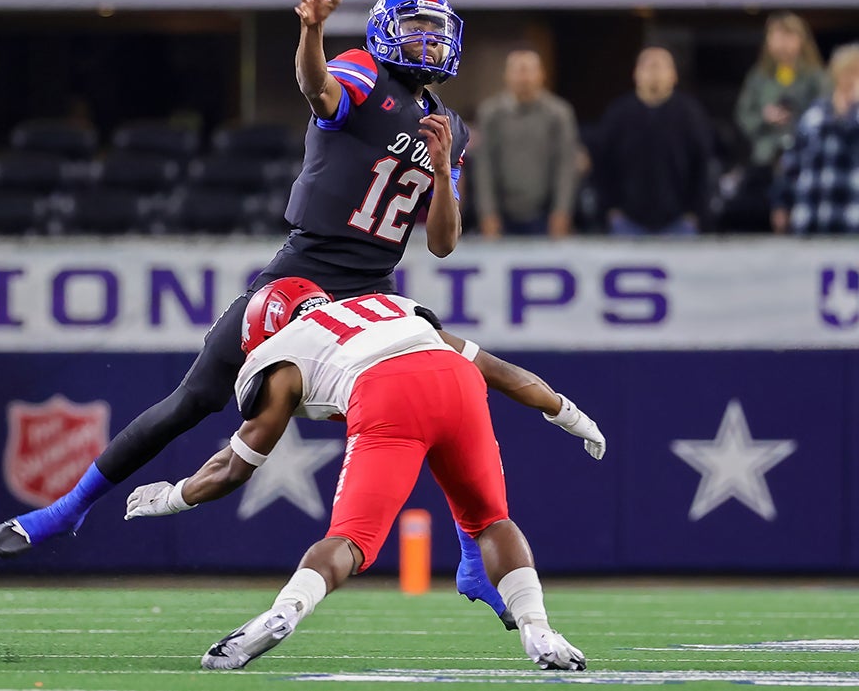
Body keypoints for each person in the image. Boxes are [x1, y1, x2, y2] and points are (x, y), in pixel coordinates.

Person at [0, 0, 516, 622]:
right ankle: (67, 510)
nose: (429, 41)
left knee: (444, 387)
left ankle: (469, 559)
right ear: (384, 31)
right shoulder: (357, 70)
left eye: (438, 30)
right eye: (417, 28)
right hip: (304, 272)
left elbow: (442, 244)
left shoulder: (451, 130)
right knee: (192, 400)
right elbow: (315, 88)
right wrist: (312, 30)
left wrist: (440, 172)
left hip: (374, 288)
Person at [125, 278, 603, 671]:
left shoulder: (282, 354)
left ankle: (283, 612)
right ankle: (538, 630)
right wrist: (570, 414)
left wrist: (174, 496)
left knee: (352, 539)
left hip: (386, 395)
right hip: (455, 379)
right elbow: (499, 371)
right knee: (491, 521)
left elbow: (234, 466)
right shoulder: (390, 306)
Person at [772, 42, 859, 235]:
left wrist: (853, 112)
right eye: (847, 71)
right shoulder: (814, 114)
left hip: (857, 220)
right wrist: (781, 203)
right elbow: (791, 163)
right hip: (811, 221)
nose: (851, 79)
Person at [586, 46, 711, 236]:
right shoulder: (618, 114)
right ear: (635, 74)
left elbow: (703, 165)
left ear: (674, 75)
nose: (654, 72)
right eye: (648, 66)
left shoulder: (690, 114)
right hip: (627, 222)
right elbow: (601, 164)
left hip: (679, 223)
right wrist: (610, 209)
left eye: (661, 66)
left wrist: (695, 213)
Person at [726, 12, 827, 232]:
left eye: (788, 36)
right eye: (776, 36)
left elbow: (825, 113)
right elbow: (743, 114)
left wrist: (799, 121)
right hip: (764, 161)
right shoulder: (759, 76)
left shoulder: (815, 76)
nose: (782, 43)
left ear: (801, 40)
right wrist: (765, 117)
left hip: (802, 163)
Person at [473, 48, 582, 238]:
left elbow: (566, 165)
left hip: (545, 215)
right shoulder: (490, 113)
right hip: (502, 216)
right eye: (517, 71)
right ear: (506, 76)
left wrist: (562, 211)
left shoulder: (559, 114)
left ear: (541, 75)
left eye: (529, 71)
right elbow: (484, 166)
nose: (523, 78)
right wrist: (487, 212)